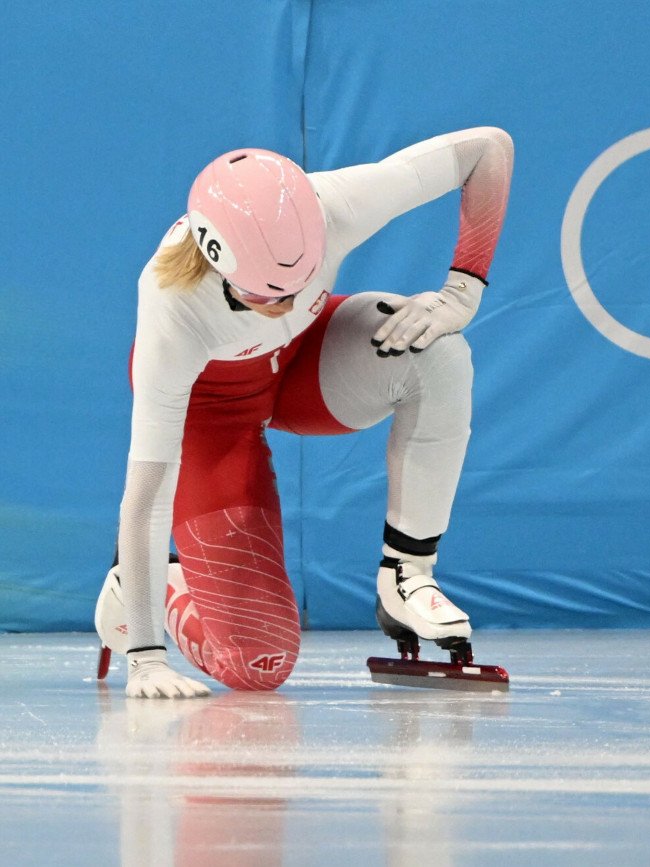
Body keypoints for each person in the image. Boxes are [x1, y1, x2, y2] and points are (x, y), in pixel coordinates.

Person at [94, 128, 514, 698]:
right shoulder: (172, 307)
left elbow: (489, 148)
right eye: (268, 297)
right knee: (258, 664)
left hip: (300, 362)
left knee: (435, 353)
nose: (285, 305)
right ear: (218, 267)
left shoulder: (334, 203)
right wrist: (144, 656)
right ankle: (148, 581)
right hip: (209, 418)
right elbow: (146, 496)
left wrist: (464, 289)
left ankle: (407, 576)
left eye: (300, 281)